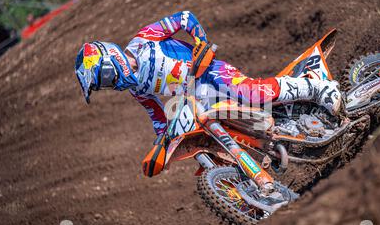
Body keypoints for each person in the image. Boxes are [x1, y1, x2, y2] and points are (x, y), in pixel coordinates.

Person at [75, 11, 342, 175]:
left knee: (252, 93)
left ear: (112, 58)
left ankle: (319, 88)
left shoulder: (144, 40)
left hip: (209, 71)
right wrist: (164, 144)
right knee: (206, 135)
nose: (111, 84)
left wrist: (200, 41)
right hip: (197, 97)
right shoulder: (137, 88)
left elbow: (184, 18)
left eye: (106, 77)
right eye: (105, 84)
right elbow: (157, 117)